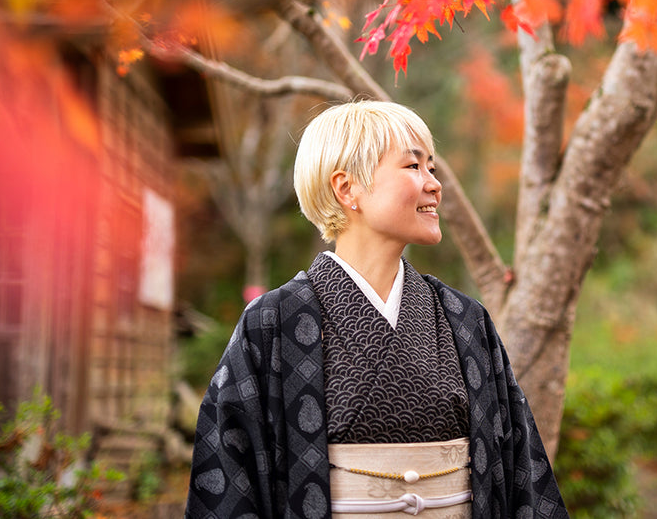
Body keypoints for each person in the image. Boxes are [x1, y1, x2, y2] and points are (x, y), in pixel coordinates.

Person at [185, 100, 568, 519]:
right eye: (412, 167)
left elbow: (517, 469)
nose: (434, 184)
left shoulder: (465, 319)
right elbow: (228, 475)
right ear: (347, 188)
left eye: (432, 169)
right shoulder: (274, 322)